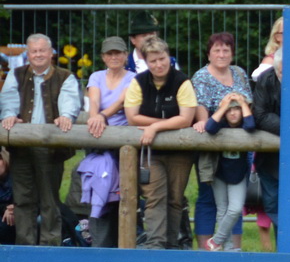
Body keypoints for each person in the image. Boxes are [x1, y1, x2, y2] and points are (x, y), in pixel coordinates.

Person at [0, 33, 82, 245]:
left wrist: (66, 115)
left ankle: (50, 247)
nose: (38, 55)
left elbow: (70, 100)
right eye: (34, 51)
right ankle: (25, 247)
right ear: (28, 54)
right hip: (21, 146)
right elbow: (8, 99)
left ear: (51, 53)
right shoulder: (16, 75)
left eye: (42, 50)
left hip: (51, 148)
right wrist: (9, 115)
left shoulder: (65, 76)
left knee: (50, 201)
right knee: (22, 200)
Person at [124, 35, 197, 249]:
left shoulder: (182, 81)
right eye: (153, 61)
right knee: (154, 197)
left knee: (175, 199)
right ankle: (155, 244)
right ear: (146, 63)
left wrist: (155, 126)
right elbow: (131, 117)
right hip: (150, 152)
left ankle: (172, 245)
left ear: (169, 57)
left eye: (162, 59)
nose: (159, 64)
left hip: (180, 151)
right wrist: (169, 122)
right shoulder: (138, 82)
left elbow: (186, 118)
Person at [190, 32, 254, 251]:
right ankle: (207, 248)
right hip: (213, 146)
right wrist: (204, 121)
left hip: (241, 146)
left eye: (226, 49)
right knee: (210, 199)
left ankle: (232, 248)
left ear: (232, 53)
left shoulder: (239, 73)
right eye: (216, 50)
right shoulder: (201, 77)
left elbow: (249, 104)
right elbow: (201, 109)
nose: (221, 54)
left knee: (236, 202)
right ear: (208, 54)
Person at [81, 37, 136, 247]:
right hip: (98, 137)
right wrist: (95, 118)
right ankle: (98, 242)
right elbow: (93, 99)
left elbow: (122, 101)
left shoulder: (133, 78)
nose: (114, 57)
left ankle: (121, 243)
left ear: (125, 55)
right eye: (109, 54)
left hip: (120, 142)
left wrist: (101, 118)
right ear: (103, 57)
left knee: (121, 195)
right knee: (98, 192)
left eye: (118, 53)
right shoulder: (96, 76)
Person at [201, 92, 256, 250]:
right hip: (219, 173)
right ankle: (228, 247)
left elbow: (251, 126)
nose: (233, 113)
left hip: (238, 174)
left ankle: (216, 241)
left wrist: (243, 103)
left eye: (237, 109)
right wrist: (224, 105)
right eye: (229, 110)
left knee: (235, 209)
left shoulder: (245, 124)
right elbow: (210, 127)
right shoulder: (220, 124)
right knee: (222, 210)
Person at [252, 47, 282, 252]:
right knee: (272, 206)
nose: (284, 76)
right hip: (269, 159)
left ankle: (289, 250)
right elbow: (259, 115)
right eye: (280, 72)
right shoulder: (265, 79)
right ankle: (282, 254)